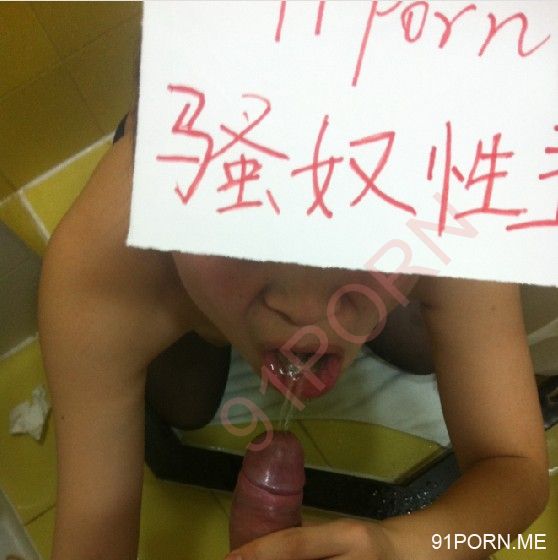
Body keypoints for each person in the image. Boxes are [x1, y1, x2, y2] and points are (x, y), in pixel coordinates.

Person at [38, 110, 549, 560]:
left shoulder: (451, 201)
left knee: (423, 349)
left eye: (368, 228)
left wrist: (412, 546)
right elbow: (92, 538)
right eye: (235, 226)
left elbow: (517, 468)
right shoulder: (104, 267)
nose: (306, 310)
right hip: (161, 268)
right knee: (184, 406)